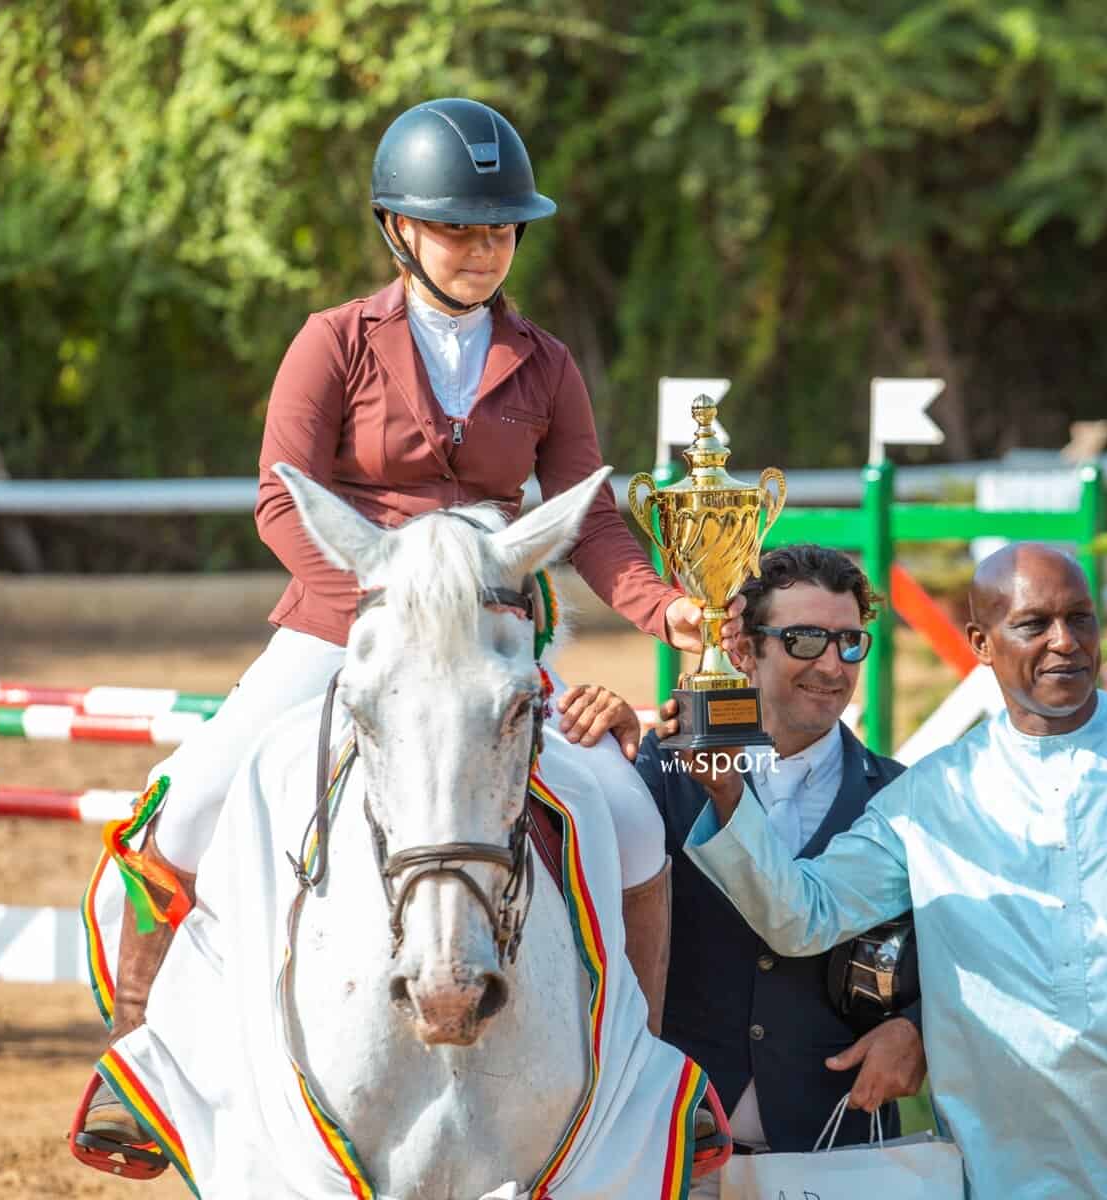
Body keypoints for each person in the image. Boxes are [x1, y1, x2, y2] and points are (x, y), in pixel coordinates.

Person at [78, 97, 708, 1157]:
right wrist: (384, 594)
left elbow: (591, 518)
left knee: (633, 823)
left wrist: (667, 606)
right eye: (459, 228)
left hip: (487, 648)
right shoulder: (334, 342)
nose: (483, 248)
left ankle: (640, 1084)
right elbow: (282, 502)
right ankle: (143, 1067)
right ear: (399, 230)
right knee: (179, 812)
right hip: (348, 628)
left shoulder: (544, 362)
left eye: (501, 229)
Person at [676, 543, 1107, 1200]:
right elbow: (802, 918)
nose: (1064, 642)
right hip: (1003, 1174)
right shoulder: (931, 796)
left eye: (1081, 619)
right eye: (1034, 624)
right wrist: (727, 799)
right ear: (981, 643)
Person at [637, 546, 927, 1194]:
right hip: (677, 1150)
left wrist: (918, 1029)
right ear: (741, 649)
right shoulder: (657, 770)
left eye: (851, 643)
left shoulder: (902, 794)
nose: (832, 665)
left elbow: (959, 949)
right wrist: (593, 736)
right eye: (804, 640)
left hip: (841, 1151)